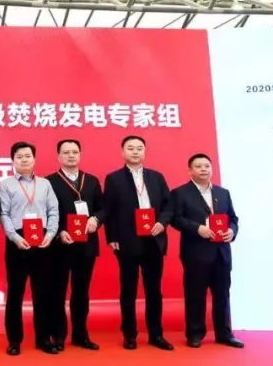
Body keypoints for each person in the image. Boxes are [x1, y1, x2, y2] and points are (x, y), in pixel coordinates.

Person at [103, 135, 174, 351]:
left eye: (139, 148)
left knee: (154, 291)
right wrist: (112, 237)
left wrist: (162, 223)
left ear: (144, 151)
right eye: (131, 148)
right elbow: (109, 210)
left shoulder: (156, 177)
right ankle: (130, 334)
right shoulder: (113, 179)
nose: (135, 152)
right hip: (127, 241)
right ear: (123, 152)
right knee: (129, 290)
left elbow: (168, 205)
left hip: (154, 238)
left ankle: (156, 334)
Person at [169, 153, 244, 349]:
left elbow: (233, 218)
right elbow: (175, 219)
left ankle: (224, 333)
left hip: (221, 252)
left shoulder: (223, 193)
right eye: (198, 166)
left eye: (207, 166)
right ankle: (195, 334)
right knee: (195, 294)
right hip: (196, 252)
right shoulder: (180, 193)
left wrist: (232, 231)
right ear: (190, 170)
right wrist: (197, 228)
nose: (203, 169)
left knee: (222, 294)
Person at [0, 141, 59, 355]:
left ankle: (43, 338)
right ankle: (14, 340)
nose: (24, 160)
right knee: (15, 293)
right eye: (19, 157)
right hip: (18, 241)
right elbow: (3, 214)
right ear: (13, 161)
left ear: (34, 159)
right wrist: (15, 237)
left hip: (43, 241)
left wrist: (50, 235)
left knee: (43, 292)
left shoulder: (44, 184)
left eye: (28, 156)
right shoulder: (5, 185)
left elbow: (53, 211)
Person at [46, 138, 105, 351]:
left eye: (74, 152)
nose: (71, 156)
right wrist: (59, 231)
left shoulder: (92, 181)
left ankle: (81, 335)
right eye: (66, 152)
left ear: (80, 155)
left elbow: (102, 208)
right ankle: (59, 335)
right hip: (60, 244)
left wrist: (96, 219)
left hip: (86, 244)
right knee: (57, 291)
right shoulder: (49, 182)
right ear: (58, 156)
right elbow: (46, 212)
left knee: (81, 291)